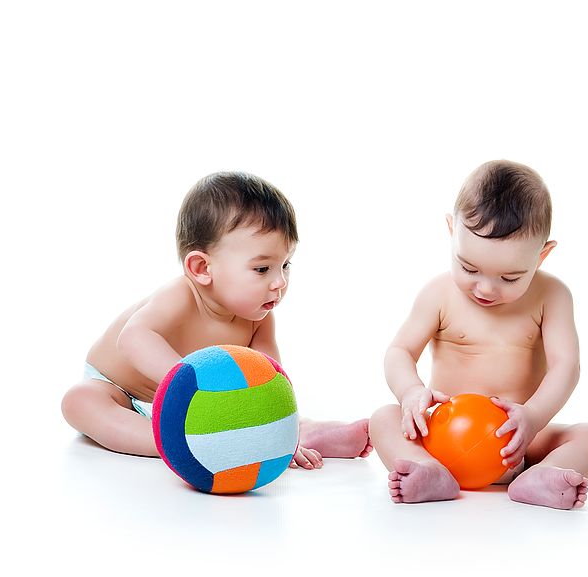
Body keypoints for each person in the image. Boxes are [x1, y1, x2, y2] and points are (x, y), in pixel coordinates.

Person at [62, 172, 372, 468]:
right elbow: (132, 339)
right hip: (119, 390)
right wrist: (189, 387)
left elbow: (269, 381)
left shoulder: (259, 317)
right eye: (263, 269)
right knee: (80, 401)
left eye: (286, 265)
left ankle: (303, 432)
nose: (280, 282)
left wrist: (279, 432)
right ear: (201, 268)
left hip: (202, 408)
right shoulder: (182, 295)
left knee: (260, 416)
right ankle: (176, 444)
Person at [369, 160, 588, 507]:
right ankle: (427, 470)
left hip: (518, 442)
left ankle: (541, 477)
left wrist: (534, 418)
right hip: (443, 438)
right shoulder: (439, 294)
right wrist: (411, 393)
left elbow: (565, 366)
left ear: (542, 255)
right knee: (383, 418)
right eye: (468, 267)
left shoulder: (552, 296)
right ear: (452, 232)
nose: (485, 288)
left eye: (510, 278)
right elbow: (399, 352)